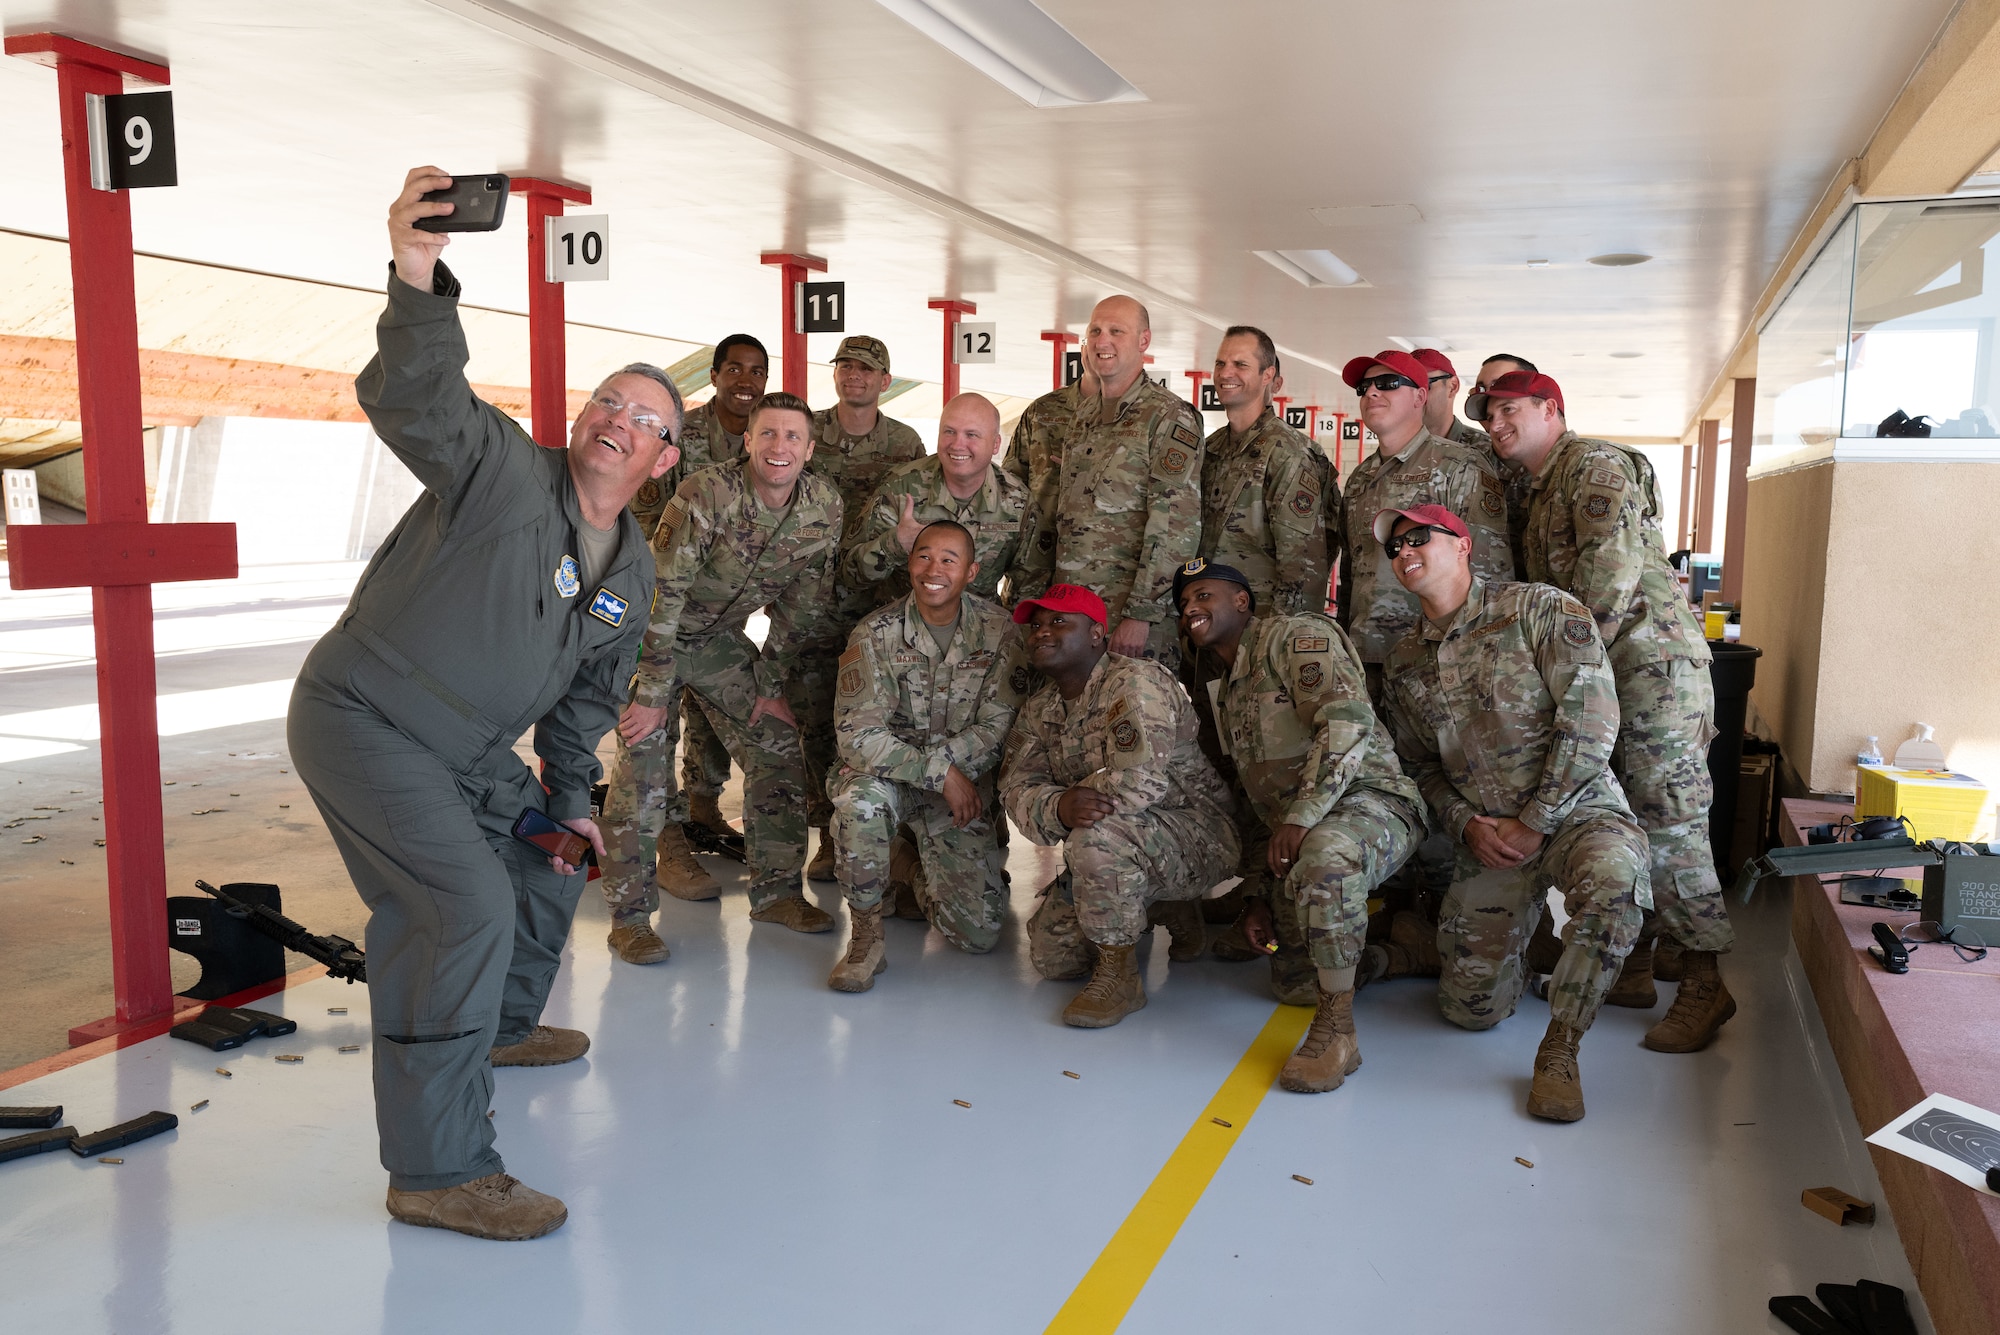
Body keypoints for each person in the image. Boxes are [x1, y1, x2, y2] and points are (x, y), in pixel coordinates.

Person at [288, 168, 681, 1240]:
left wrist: (574, 798)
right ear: (583, 415)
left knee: (552, 850)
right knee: (453, 908)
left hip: (461, 750)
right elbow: (421, 399)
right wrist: (417, 269)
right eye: (607, 400)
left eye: (643, 416)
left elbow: (585, 703)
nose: (616, 420)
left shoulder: (631, 572)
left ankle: (498, 1026)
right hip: (365, 718)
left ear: (663, 456)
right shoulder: (503, 472)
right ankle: (438, 1168)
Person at [1481, 371, 1737, 1051]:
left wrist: (1565, 676)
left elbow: (1610, 581)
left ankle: (1707, 983)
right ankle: (1635, 965)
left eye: (1510, 408)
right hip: (1609, 675)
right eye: (1488, 413)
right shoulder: (1537, 489)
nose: (1497, 421)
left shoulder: (1591, 466)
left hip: (1650, 671)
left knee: (1670, 819)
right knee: (1625, 816)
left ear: (1550, 408)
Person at [1378, 505, 1647, 1122]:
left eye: (1420, 537)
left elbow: (1592, 719)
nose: (1405, 551)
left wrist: (1538, 819)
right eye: (1395, 547)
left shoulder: (1539, 610)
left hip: (1577, 811)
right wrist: (1466, 825)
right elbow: (1418, 769)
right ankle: (1520, 950)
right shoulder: (1402, 662)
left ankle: (1560, 1046)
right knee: (1469, 1011)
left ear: (1464, 544)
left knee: (1615, 881)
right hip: (1489, 836)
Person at [598, 390, 845, 957]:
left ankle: (778, 893)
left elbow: (804, 603)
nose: (778, 447)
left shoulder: (822, 508)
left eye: (792, 437)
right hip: (646, 636)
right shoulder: (707, 492)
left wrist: (770, 684)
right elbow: (664, 595)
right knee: (644, 766)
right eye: (768, 434)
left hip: (714, 640)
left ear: (809, 450)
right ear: (747, 441)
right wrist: (654, 695)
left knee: (776, 739)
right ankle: (629, 919)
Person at [1175, 559, 1426, 1093]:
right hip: (1302, 825)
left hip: (1371, 801)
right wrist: (1262, 895)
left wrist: (1302, 817)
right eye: (1184, 603)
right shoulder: (1229, 687)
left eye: (1203, 594)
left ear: (1241, 600)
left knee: (1325, 862)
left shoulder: (1295, 638)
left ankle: (1338, 1033)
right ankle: (1398, 954)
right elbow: (1263, 798)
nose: (1191, 608)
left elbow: (1347, 721)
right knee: (1293, 982)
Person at [999, 584, 1238, 1028]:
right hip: (1123, 841)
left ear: (1096, 634)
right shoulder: (1040, 708)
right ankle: (1163, 904)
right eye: (1035, 625)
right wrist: (1058, 807)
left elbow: (1138, 785)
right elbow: (1014, 787)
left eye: (1058, 622)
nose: (1041, 633)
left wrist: (1074, 806)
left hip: (1198, 835)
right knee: (1053, 959)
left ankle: (1120, 975)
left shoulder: (1136, 682)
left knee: (1097, 835)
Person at [825, 521, 1027, 990]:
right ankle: (866, 939)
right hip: (886, 777)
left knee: (977, 935)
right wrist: (938, 772)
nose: (933, 569)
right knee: (861, 806)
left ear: (972, 571)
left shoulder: (1000, 632)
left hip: (958, 784)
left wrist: (947, 775)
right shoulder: (875, 632)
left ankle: (907, 865)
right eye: (923, 556)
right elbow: (858, 735)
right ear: (909, 564)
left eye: (949, 560)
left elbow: (1001, 727)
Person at [627, 335, 770, 892]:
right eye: (733, 369)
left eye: (755, 372)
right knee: (654, 719)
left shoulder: (765, 441)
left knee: (715, 715)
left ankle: (705, 806)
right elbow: (646, 519)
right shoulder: (680, 435)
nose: (744, 381)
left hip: (721, 614)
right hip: (663, 603)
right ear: (714, 375)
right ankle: (666, 843)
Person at [1007, 297, 1204, 666]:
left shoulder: (1169, 416)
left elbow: (1175, 526)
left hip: (1128, 617)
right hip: (1075, 612)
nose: (1102, 341)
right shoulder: (1085, 413)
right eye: (1095, 331)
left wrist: (1141, 613)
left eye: (1117, 331)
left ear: (1143, 341)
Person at [1334, 350, 1512, 707]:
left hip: (1437, 658)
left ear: (1419, 396)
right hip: (1366, 659)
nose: (1371, 393)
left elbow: (1492, 575)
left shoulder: (1459, 467)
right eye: (1364, 387)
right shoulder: (1359, 481)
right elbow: (1352, 577)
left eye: (1387, 384)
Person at [841, 392, 1031, 606]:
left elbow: (1031, 586)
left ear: (996, 444)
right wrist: (895, 544)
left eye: (971, 435)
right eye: (949, 432)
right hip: (901, 627)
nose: (957, 445)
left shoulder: (1017, 502)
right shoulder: (901, 488)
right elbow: (848, 575)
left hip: (981, 630)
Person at [1199, 326, 1333, 615]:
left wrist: (1283, 641)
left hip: (1260, 629)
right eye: (1220, 363)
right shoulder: (1211, 449)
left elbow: (1303, 569)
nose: (1225, 373)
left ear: (1267, 375)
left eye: (1240, 364)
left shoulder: (1288, 452)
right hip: (1210, 627)